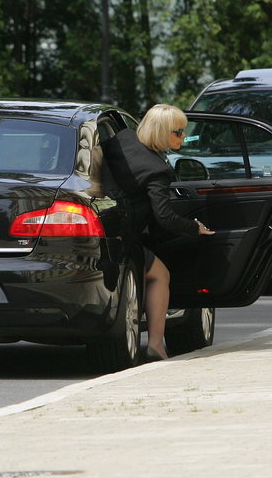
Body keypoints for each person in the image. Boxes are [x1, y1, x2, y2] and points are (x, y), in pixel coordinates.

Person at [101, 104, 214, 361]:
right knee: (161, 273)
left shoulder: (122, 138)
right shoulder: (157, 170)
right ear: (163, 132)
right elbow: (165, 217)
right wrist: (195, 228)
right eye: (178, 132)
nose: (183, 137)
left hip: (105, 227)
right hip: (124, 237)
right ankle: (155, 343)